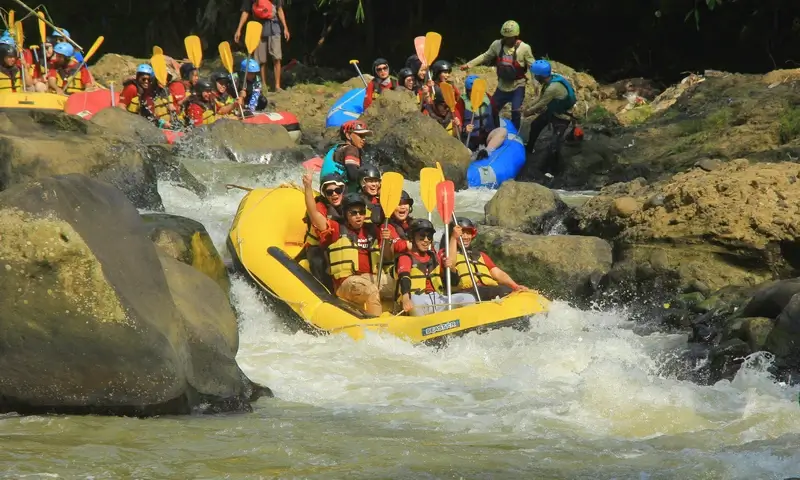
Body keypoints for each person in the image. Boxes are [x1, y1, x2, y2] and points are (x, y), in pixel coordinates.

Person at [316, 193, 391, 317]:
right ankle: (377, 329)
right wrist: (308, 187)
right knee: (371, 290)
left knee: (399, 286)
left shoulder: (372, 230)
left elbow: (387, 257)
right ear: (346, 214)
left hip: (369, 277)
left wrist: (387, 242)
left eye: (361, 212)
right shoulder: (336, 229)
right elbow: (315, 216)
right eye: (353, 213)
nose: (358, 216)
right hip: (346, 282)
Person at [460, 20, 535, 130]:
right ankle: (489, 130)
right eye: (505, 37)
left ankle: (515, 134)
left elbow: (532, 66)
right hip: (502, 86)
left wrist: (536, 84)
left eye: (510, 37)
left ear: (516, 36)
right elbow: (486, 56)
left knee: (515, 111)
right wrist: (469, 65)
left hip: (518, 85)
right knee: (491, 109)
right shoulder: (497, 45)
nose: (507, 39)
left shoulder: (524, 48)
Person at [396, 219, 475, 315]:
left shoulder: (435, 257)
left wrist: (451, 269)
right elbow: (404, 278)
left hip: (438, 299)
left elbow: (455, 282)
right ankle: (422, 326)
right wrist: (405, 297)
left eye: (429, 237)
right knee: (415, 301)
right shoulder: (405, 258)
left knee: (468, 298)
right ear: (412, 237)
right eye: (422, 236)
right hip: (418, 299)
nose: (426, 240)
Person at [442, 217, 531, 300]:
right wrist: (454, 238)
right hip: (465, 294)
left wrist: (515, 286)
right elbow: (451, 266)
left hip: (487, 289)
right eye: (462, 234)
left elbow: (498, 274)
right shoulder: (445, 254)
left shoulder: (480, 255)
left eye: (468, 233)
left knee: (511, 291)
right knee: (500, 292)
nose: (465, 237)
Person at [522, 59, 577, 171]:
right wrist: (527, 107)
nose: (535, 78)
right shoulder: (550, 80)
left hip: (563, 116)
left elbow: (542, 103)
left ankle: (551, 170)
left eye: (536, 76)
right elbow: (540, 98)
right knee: (535, 125)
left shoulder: (552, 88)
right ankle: (529, 148)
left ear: (541, 76)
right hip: (553, 111)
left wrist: (528, 112)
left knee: (554, 145)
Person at [300, 170, 346, 292]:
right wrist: (308, 186)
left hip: (340, 245)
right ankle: (325, 293)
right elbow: (313, 212)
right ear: (325, 194)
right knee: (318, 261)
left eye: (338, 191)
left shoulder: (350, 205)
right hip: (318, 248)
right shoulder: (320, 206)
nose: (334, 194)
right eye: (329, 192)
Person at [234, 0, 290, 92]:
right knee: (260, 59)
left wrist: (285, 28)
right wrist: (239, 29)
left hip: (274, 25)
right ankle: (263, 85)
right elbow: (245, 11)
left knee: (276, 57)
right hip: (258, 26)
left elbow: (279, 10)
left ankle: (277, 86)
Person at [118, 64, 177, 130]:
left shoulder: (148, 92)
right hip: (131, 123)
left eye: (148, 80)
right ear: (138, 78)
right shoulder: (132, 88)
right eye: (143, 79)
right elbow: (121, 106)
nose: (146, 82)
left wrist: (162, 122)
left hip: (143, 124)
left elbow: (150, 113)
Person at [319, 120, 372, 191]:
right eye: (360, 135)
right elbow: (353, 176)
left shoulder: (337, 148)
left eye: (364, 136)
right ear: (348, 135)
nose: (363, 139)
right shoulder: (351, 149)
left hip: (328, 191)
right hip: (343, 194)